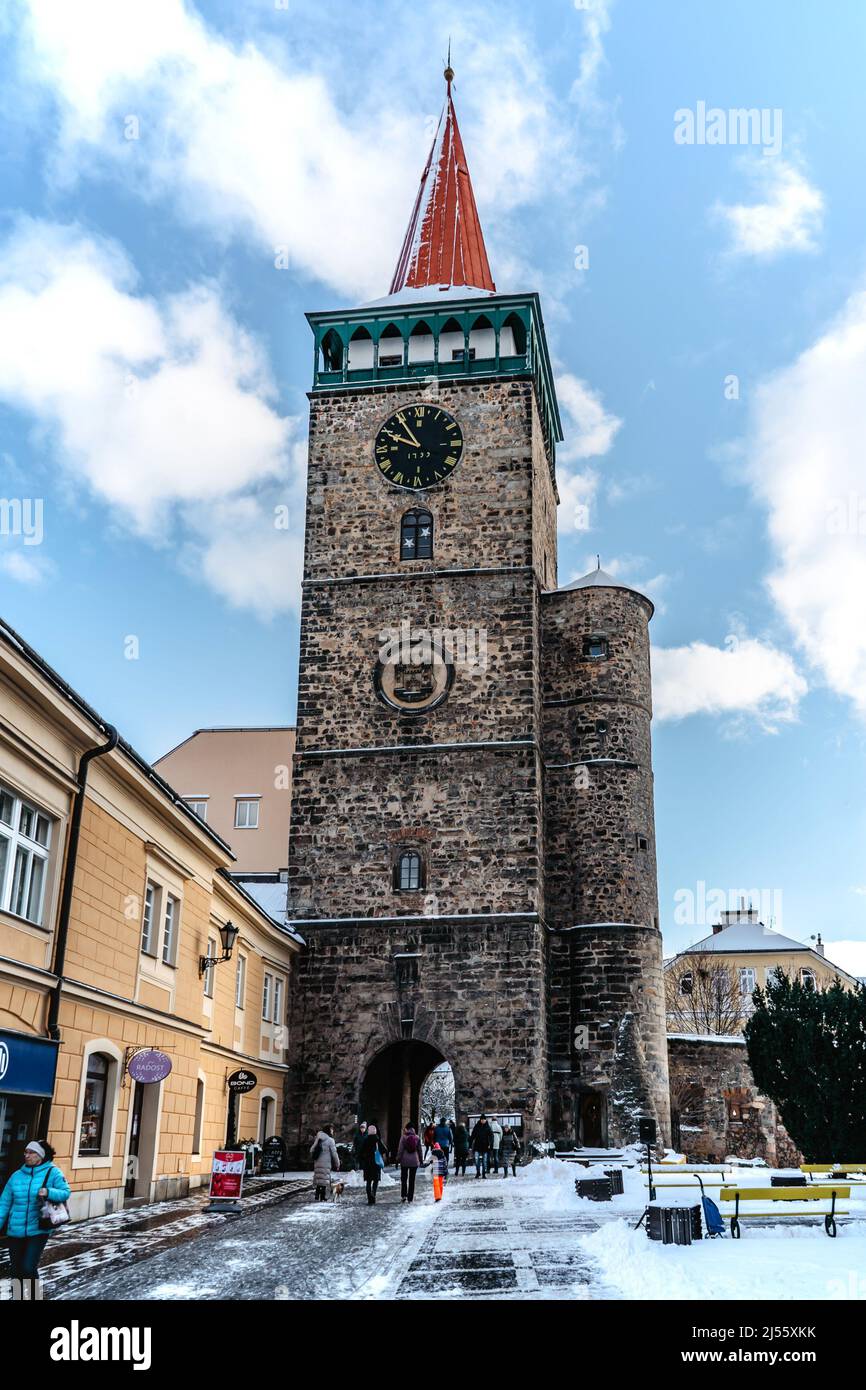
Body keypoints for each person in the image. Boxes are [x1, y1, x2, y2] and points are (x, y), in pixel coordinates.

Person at [0, 1139, 70, 1296]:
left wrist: (49, 1192)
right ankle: (18, 1297)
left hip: (39, 1229)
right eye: (26, 1152)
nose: (27, 1155)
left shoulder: (53, 1172)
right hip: (15, 1230)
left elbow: (66, 1192)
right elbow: (4, 1204)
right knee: (16, 1268)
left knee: (28, 1267)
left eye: (31, 1152)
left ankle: (33, 1297)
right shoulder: (16, 1176)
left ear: (40, 1156)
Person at [309, 1124, 339, 1201]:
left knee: (319, 1178)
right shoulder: (330, 1140)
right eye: (331, 1129)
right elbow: (334, 1154)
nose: (332, 1131)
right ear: (328, 1130)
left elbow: (312, 1149)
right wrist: (337, 1163)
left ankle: (317, 1195)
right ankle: (322, 1197)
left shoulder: (318, 1138)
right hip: (326, 1162)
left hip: (317, 1161)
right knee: (324, 1179)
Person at [360, 1123, 386, 1205]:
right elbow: (385, 1149)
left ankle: (369, 1197)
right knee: (375, 1180)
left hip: (367, 1164)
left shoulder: (365, 1140)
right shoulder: (377, 1140)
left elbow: (361, 1152)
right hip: (376, 1163)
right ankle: (373, 1195)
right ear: (375, 1132)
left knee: (368, 1181)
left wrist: (364, 1158)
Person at [395, 1124, 422, 1203]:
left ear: (407, 1129)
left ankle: (404, 1196)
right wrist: (421, 1160)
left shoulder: (403, 1137)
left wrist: (397, 1160)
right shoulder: (417, 1138)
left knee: (404, 1179)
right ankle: (410, 1197)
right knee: (412, 1180)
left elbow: (400, 1150)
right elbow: (420, 1150)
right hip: (414, 1161)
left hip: (404, 1161)